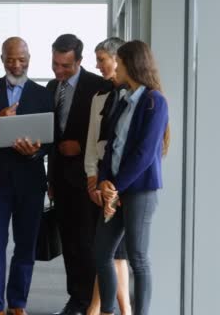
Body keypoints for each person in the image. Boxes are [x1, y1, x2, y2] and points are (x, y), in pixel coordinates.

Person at [0, 37, 53, 315]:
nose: (17, 65)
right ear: (2, 58)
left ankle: (17, 304)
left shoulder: (43, 94)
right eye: (11, 59)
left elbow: (51, 140)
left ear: (29, 57)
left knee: (25, 244)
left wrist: (35, 152)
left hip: (30, 180)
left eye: (22, 59)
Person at [95, 40, 170, 315]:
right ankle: (108, 310)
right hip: (115, 188)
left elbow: (145, 153)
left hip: (139, 191)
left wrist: (115, 185)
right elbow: (111, 144)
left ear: (131, 64)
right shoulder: (124, 99)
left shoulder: (154, 101)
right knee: (101, 252)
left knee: (138, 257)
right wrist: (104, 179)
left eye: (120, 62)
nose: (116, 66)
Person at [47, 34, 112, 315]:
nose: (59, 71)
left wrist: (81, 146)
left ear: (79, 61)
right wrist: (49, 179)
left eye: (66, 66)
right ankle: (76, 297)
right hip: (60, 177)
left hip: (87, 177)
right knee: (69, 242)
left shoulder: (97, 87)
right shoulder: (51, 87)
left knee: (86, 241)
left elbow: (107, 133)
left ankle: (89, 300)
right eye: (55, 64)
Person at [84, 37, 131, 315]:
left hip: (120, 182)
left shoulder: (133, 98)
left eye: (102, 59)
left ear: (118, 60)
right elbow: (92, 143)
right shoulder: (100, 98)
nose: (98, 65)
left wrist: (115, 185)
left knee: (115, 252)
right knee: (110, 252)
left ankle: (102, 307)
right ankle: (120, 309)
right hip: (100, 179)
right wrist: (92, 178)